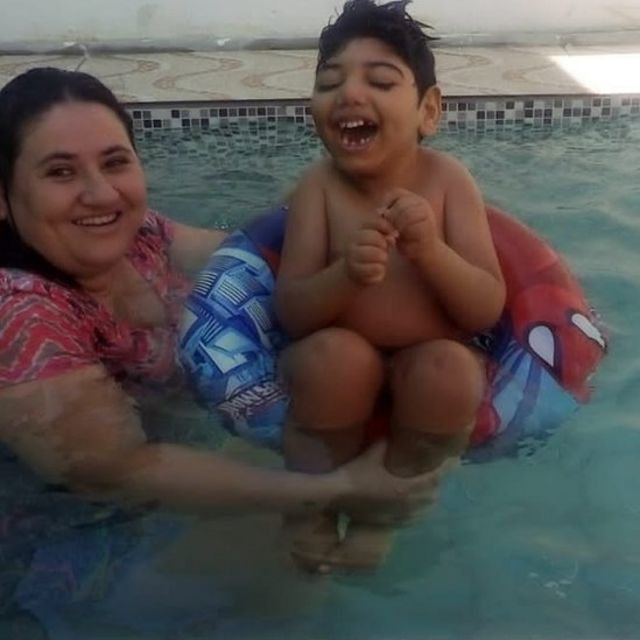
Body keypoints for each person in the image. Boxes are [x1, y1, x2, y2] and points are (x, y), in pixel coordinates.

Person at [0, 67, 438, 627]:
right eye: (60, 172)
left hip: (185, 482)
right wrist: (335, 488)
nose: (101, 193)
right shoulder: (21, 314)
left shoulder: (140, 237)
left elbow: (257, 260)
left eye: (115, 162)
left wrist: (357, 201)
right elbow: (117, 471)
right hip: (88, 547)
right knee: (312, 544)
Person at [275, 0, 506, 571]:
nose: (349, 94)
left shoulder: (449, 181)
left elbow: (486, 307)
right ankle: (315, 502)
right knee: (335, 356)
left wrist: (430, 252)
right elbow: (292, 312)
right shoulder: (318, 189)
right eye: (330, 82)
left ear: (428, 110)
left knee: (450, 369)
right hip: (340, 361)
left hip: (427, 359)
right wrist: (345, 275)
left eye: (380, 80)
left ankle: (384, 514)